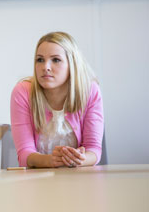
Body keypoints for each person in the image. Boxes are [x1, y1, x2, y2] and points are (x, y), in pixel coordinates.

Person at [10, 31, 104, 168]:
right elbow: (24, 154)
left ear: (72, 64)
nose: (45, 67)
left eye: (56, 60)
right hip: (37, 182)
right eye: (40, 60)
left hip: (80, 179)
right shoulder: (23, 92)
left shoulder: (90, 91)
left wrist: (79, 159)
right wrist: (51, 160)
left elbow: (94, 149)